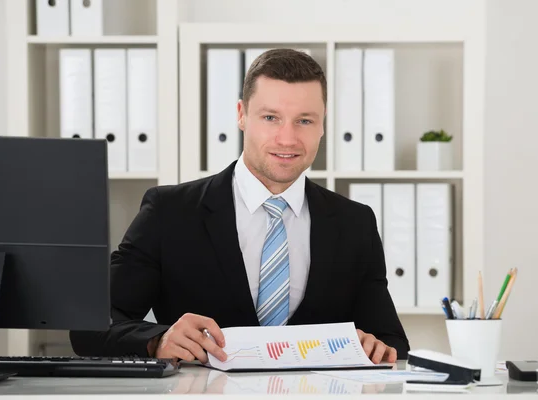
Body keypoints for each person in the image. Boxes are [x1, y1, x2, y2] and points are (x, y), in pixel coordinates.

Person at [70, 48, 409, 364]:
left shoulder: (355, 223)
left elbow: (391, 340)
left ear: (322, 125)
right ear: (241, 115)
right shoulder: (169, 212)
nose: (288, 139)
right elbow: (90, 326)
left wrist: (374, 346)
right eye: (271, 117)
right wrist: (157, 340)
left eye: (304, 120)